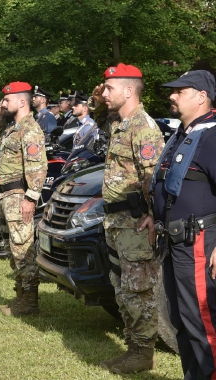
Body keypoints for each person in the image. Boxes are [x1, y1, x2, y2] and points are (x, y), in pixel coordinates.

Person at [148, 70, 216, 379]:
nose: (172, 96)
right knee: (181, 320)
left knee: (202, 320)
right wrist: (155, 215)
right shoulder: (182, 135)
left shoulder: (213, 136)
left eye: (180, 91)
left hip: (199, 241)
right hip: (174, 241)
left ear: (202, 96)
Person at [97, 63, 164, 373]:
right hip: (117, 223)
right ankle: (132, 347)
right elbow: (100, 118)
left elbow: (154, 179)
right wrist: (99, 99)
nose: (104, 92)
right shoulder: (120, 124)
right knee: (122, 287)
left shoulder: (143, 127)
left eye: (109, 88)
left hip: (135, 222)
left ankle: (143, 353)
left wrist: (154, 217)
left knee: (139, 290)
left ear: (128, 90)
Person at [0, 82, 47, 316]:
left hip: (18, 196)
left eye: (7, 100)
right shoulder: (13, 129)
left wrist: (31, 198)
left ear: (22, 102)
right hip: (6, 195)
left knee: (23, 249)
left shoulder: (30, 129)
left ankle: (29, 302)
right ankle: (20, 296)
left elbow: (38, 167)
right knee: (12, 248)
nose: (3, 104)